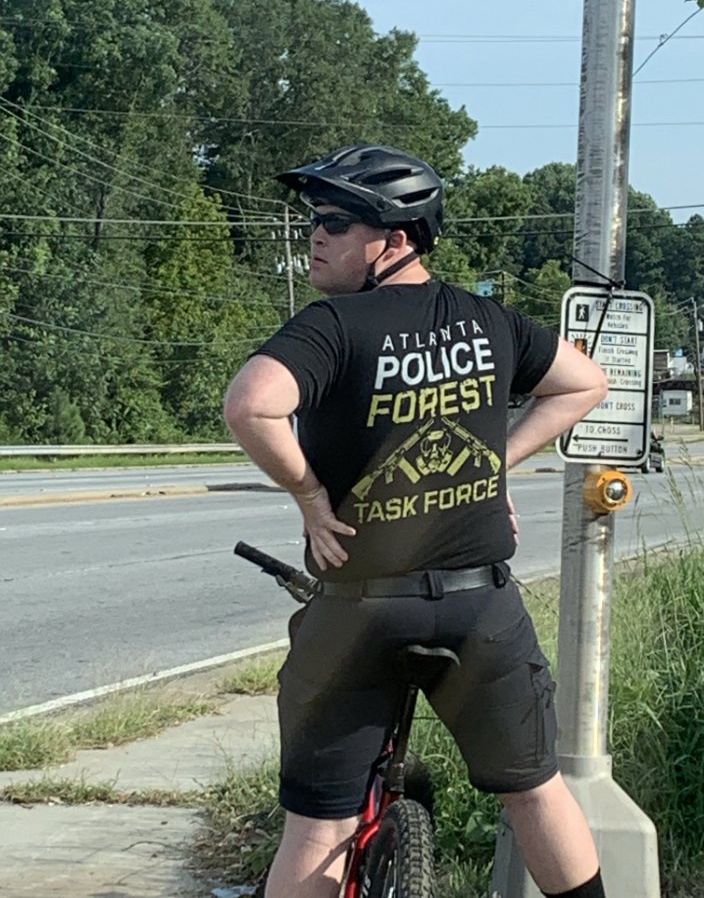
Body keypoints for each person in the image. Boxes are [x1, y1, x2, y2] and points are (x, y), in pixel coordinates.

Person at [224, 144, 609, 898]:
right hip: (478, 607)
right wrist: (492, 461)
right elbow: (583, 383)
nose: (316, 235)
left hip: (359, 612)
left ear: (395, 240)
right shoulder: (489, 320)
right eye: (314, 221)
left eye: (336, 222)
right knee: (533, 789)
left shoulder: (333, 326)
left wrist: (309, 497)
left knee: (322, 825)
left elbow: (250, 405)